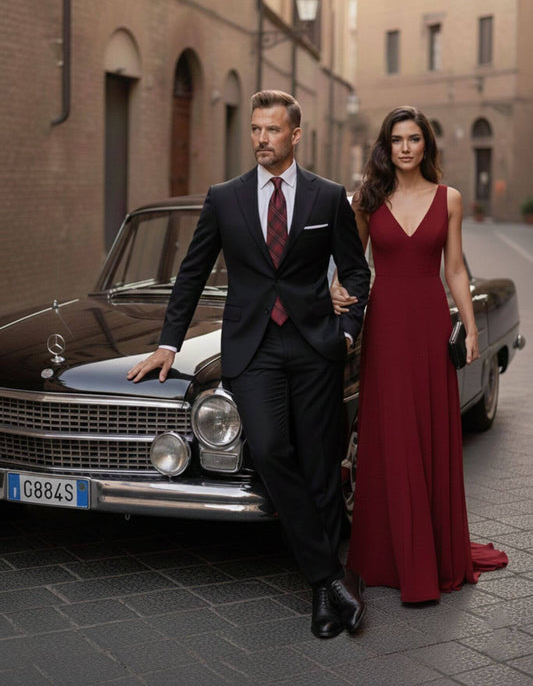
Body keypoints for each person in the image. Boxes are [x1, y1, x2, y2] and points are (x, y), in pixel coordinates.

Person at [127, 90, 371, 637]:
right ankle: (329, 577)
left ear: (295, 135)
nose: (261, 138)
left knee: (321, 460)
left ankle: (324, 597)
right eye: (255, 130)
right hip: (253, 347)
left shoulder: (327, 197)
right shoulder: (225, 197)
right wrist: (168, 342)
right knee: (268, 449)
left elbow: (356, 273)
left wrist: (347, 333)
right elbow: (191, 274)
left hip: (314, 346)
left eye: (272, 130)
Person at [332, 105, 507, 603]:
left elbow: (454, 271)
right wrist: (334, 290)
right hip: (385, 325)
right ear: (386, 147)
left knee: (429, 432)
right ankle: (389, 554)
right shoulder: (367, 199)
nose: (405, 147)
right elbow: (354, 265)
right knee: (389, 434)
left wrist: (469, 328)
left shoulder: (448, 199)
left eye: (414, 139)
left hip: (431, 324)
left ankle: (430, 550)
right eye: (397, 140)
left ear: (426, 144)